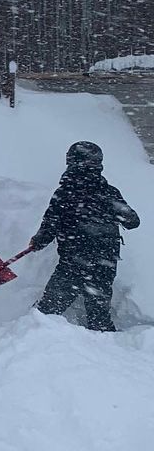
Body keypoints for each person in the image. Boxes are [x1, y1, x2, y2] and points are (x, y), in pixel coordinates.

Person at [30, 141, 139, 332]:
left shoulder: (65, 193)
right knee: (99, 317)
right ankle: (106, 350)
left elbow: (50, 224)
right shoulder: (108, 192)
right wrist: (115, 209)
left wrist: (38, 241)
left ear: (71, 162)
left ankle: (31, 342)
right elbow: (132, 221)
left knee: (46, 313)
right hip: (104, 261)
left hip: (74, 261)